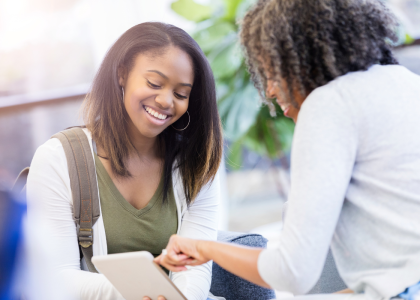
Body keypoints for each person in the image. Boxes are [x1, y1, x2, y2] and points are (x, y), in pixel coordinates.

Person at [154, 0, 420, 299]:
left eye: (272, 71)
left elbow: (293, 273)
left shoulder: (329, 104)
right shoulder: (407, 84)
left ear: (302, 56)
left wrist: (202, 247)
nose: (268, 89)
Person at [26, 22, 223, 300]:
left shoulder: (196, 163)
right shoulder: (57, 159)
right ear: (122, 74)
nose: (166, 101)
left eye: (181, 94)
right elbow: (57, 277)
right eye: (154, 83)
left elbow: (195, 269)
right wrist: (142, 293)